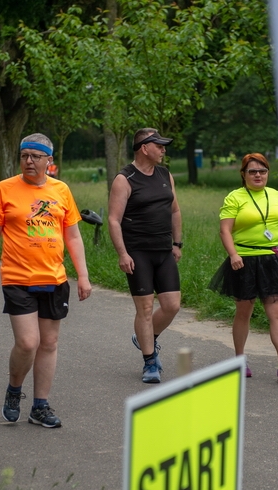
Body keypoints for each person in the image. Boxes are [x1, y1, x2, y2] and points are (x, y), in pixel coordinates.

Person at [0, 133, 91, 429]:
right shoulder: (4, 189)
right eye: (24, 155)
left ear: (49, 161)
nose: (29, 161)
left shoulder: (62, 190)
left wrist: (83, 275)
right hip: (17, 277)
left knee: (49, 343)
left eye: (35, 156)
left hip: (54, 278)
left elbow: (73, 235)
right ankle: (14, 390)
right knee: (28, 343)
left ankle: (40, 406)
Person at [208, 153, 278, 381]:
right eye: (253, 171)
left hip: (272, 259)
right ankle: (240, 360)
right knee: (244, 311)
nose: (258, 175)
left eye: (262, 171)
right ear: (243, 175)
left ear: (268, 173)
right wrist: (233, 254)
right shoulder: (235, 197)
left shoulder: (274, 194)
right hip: (244, 260)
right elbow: (225, 230)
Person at [108, 128, 182, 384]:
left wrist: (178, 242)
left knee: (172, 305)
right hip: (137, 252)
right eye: (159, 145)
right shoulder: (124, 178)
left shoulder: (165, 174)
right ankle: (150, 362)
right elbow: (114, 220)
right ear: (144, 148)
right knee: (146, 308)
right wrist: (122, 253)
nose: (163, 150)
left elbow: (174, 211)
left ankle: (145, 337)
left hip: (164, 250)